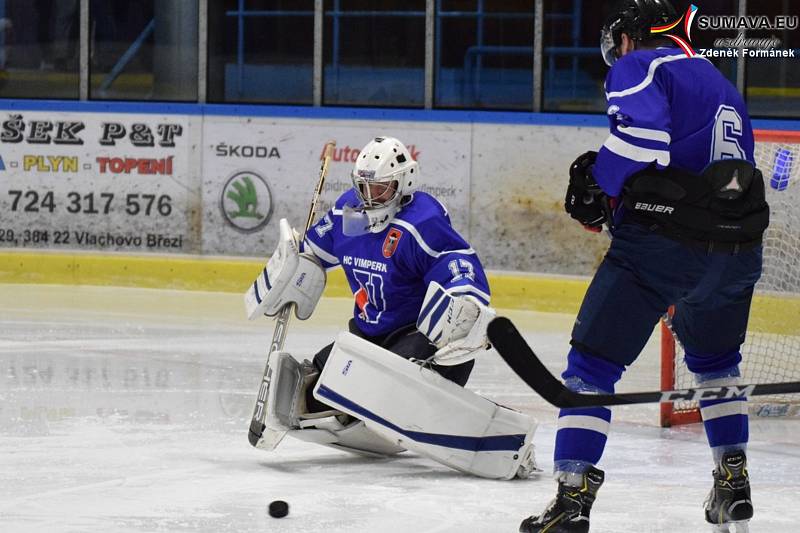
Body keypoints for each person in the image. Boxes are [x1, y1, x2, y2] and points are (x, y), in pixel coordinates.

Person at [520, 1, 769, 531]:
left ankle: (571, 500)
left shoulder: (641, 65)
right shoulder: (717, 78)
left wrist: (601, 183)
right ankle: (732, 480)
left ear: (630, 39)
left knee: (591, 370)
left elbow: (642, 138)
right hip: (738, 251)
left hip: (663, 248)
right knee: (717, 365)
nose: (615, 59)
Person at [245, 136, 538, 480]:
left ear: (404, 184)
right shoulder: (346, 213)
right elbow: (312, 252)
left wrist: (466, 300)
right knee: (312, 391)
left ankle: (464, 427)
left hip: (418, 338)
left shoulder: (420, 222)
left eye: (381, 189)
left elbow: (456, 261)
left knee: (381, 379)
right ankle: (365, 412)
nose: (370, 198)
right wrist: (293, 268)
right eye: (364, 187)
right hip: (367, 338)